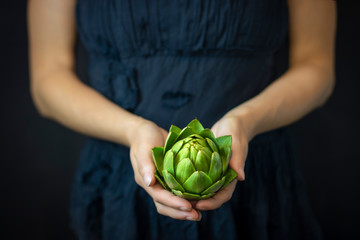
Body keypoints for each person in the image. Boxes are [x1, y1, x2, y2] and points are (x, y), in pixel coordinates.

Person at [28, 0, 336, 239]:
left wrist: (245, 121)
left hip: (252, 172)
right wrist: (132, 131)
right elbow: (48, 80)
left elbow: (316, 67)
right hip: (119, 180)